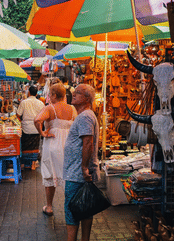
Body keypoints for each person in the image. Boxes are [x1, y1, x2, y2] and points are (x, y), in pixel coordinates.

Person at [34, 83, 77, 217]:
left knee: (50, 174)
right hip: (69, 145)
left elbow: (37, 120)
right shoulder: (72, 109)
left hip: (53, 144)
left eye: (49, 94)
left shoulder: (50, 108)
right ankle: (70, 205)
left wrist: (42, 133)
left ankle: (49, 206)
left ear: (53, 95)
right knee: (68, 175)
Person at [63, 84, 99, 241]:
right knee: (85, 209)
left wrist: (84, 168)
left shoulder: (85, 116)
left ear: (87, 98)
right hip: (78, 172)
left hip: (77, 173)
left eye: (78, 92)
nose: (74, 94)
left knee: (71, 209)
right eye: (74, 91)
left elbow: (88, 143)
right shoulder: (85, 115)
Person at [17, 85, 45, 169]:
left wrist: (20, 123)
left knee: (25, 146)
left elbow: (18, 115)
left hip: (26, 128)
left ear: (28, 93)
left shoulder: (24, 102)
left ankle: (24, 164)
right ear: (36, 94)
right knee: (35, 146)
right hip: (36, 127)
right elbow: (43, 116)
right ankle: (33, 164)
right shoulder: (40, 103)